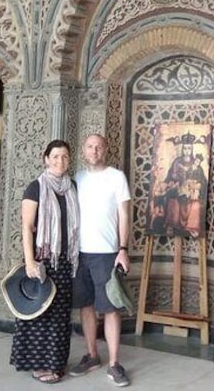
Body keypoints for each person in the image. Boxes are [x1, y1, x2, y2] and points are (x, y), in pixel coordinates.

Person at [10, 140, 80, 384]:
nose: (60, 161)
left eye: (65, 157)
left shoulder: (72, 187)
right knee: (39, 312)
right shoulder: (36, 188)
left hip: (65, 261)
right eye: (56, 156)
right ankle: (38, 364)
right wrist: (30, 262)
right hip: (42, 260)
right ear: (46, 159)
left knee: (60, 316)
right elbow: (27, 227)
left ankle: (56, 362)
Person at [70, 134, 132, 387]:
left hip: (107, 252)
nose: (94, 150)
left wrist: (123, 248)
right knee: (85, 305)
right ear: (83, 151)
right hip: (79, 252)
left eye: (98, 147)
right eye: (90, 146)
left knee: (110, 309)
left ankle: (115, 363)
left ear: (105, 150)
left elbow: (124, 215)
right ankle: (92, 354)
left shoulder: (116, 177)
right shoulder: (77, 179)